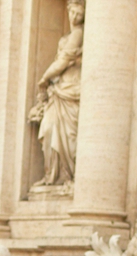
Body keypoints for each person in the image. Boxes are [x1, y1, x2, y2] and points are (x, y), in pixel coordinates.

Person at [28, 0, 84, 187]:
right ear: (67, 10)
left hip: (71, 88)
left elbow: (61, 63)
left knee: (69, 134)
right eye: (73, 12)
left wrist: (44, 78)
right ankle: (53, 175)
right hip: (59, 90)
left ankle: (67, 174)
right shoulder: (67, 36)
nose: (75, 17)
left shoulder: (78, 34)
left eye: (80, 14)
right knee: (50, 128)